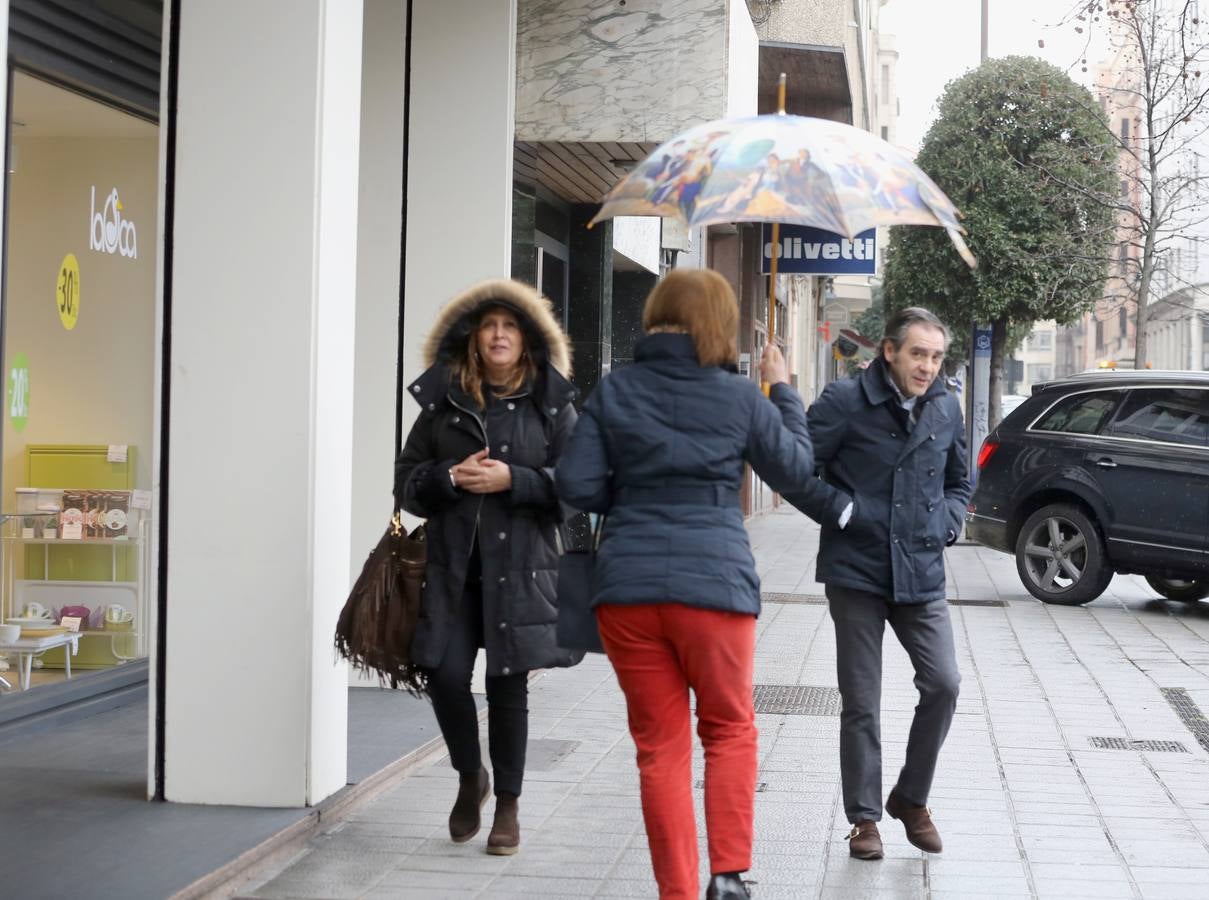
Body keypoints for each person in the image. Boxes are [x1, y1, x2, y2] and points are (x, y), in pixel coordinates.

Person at [556, 269, 815, 900]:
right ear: (718, 325)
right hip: (715, 588)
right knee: (728, 728)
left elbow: (576, 484)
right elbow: (796, 470)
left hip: (628, 591)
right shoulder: (740, 397)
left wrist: (634, 494)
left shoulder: (615, 391)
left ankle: (676, 892)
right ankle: (727, 876)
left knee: (660, 749)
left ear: (656, 316)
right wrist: (782, 389)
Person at [394, 279, 582, 856]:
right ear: (473, 338)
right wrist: (448, 477)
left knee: (507, 687)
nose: (499, 335)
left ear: (527, 339)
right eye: (489, 326)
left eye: (510, 326)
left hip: (521, 572)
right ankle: (470, 775)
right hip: (453, 573)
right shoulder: (445, 403)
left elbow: (579, 486)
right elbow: (405, 483)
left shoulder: (552, 405)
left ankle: (508, 806)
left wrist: (514, 479)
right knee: (443, 675)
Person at [784, 307, 970, 861]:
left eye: (936, 357)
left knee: (944, 684)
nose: (928, 366)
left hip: (920, 568)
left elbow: (960, 480)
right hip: (857, 571)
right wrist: (842, 510)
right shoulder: (845, 401)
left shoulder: (946, 405)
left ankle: (911, 799)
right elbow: (795, 469)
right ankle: (864, 820)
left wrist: (948, 522)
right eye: (918, 354)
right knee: (862, 700)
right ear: (890, 351)